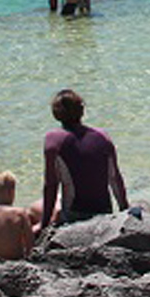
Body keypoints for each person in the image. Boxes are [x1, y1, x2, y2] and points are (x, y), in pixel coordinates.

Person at [39, 89, 128, 231]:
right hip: (104, 212)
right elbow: (115, 179)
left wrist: (44, 224)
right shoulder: (103, 137)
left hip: (75, 215)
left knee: (33, 209)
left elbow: (51, 185)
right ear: (82, 110)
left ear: (56, 114)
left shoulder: (53, 140)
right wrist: (124, 210)